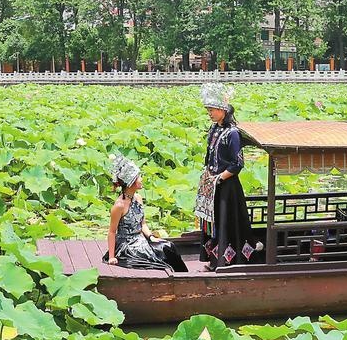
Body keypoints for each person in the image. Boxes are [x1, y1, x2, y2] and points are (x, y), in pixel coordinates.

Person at [195, 83, 261, 269]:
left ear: (223, 110)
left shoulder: (232, 133)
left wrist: (220, 178)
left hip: (228, 187)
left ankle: (226, 262)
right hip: (213, 185)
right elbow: (209, 156)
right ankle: (212, 260)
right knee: (213, 223)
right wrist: (208, 174)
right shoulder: (213, 129)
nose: (210, 113)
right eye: (208, 110)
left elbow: (237, 163)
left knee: (226, 223)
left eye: (213, 110)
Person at [106, 154, 187, 272]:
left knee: (169, 246)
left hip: (141, 239)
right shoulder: (119, 206)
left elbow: (142, 224)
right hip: (128, 245)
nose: (141, 179)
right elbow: (112, 232)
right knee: (160, 254)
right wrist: (112, 257)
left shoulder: (138, 198)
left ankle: (183, 277)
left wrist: (150, 236)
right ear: (131, 181)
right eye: (139, 177)